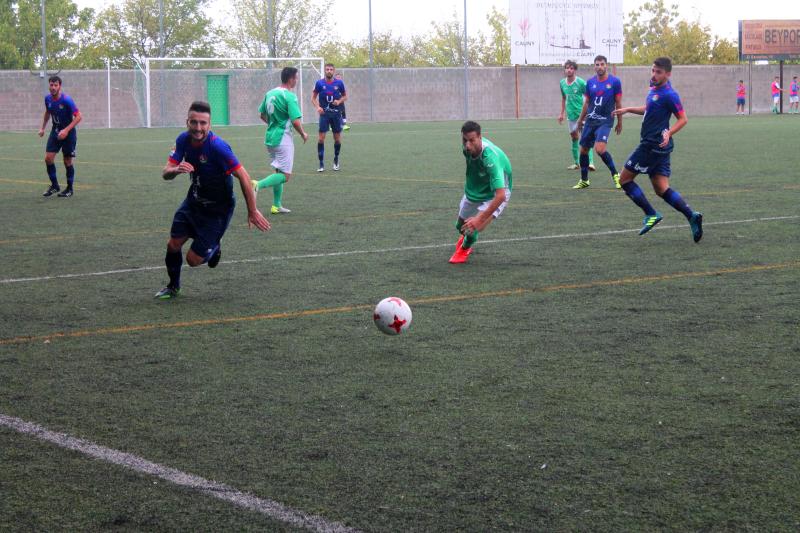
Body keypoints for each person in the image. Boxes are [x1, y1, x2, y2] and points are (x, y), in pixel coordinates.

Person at [155, 101, 270, 299]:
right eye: (194, 122)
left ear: (209, 125)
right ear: (187, 122)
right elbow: (166, 172)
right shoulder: (182, 140)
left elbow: (243, 175)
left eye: (203, 123)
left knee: (192, 260)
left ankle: (215, 247)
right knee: (173, 245)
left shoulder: (218, 147)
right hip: (193, 202)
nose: (198, 128)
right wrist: (176, 169)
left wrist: (252, 210)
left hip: (218, 210)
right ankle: (173, 287)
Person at [612, 57, 703, 243]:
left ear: (668, 74)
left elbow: (683, 119)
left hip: (651, 145)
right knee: (662, 189)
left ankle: (651, 214)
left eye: (658, 72)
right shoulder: (654, 89)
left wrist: (669, 132)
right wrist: (628, 109)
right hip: (660, 148)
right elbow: (649, 108)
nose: (654, 74)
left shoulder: (670, 94)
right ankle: (691, 215)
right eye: (653, 70)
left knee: (624, 180)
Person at [449, 121, 512, 264]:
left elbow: (500, 195)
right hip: (476, 188)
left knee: (476, 226)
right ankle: (467, 236)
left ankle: (465, 249)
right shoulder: (466, 148)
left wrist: (479, 218)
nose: (467, 145)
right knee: (460, 226)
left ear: (480, 137)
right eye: (465, 140)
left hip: (497, 191)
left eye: (472, 140)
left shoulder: (490, 158)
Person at [252, 67, 309, 214]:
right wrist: (303, 133)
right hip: (283, 139)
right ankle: (257, 185)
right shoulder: (289, 96)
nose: (296, 81)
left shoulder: (270, 93)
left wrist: (274, 124)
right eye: (296, 78)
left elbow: (262, 114)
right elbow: (296, 121)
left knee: (278, 171)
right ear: (290, 79)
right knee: (285, 176)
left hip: (270, 137)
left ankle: (276, 205)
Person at [574, 55, 622, 190]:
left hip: (605, 121)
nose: (599, 67)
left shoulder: (615, 82)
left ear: (606, 65)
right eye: (597, 64)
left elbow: (618, 103)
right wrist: (580, 119)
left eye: (602, 64)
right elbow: (587, 102)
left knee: (600, 149)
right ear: (594, 66)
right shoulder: (590, 82)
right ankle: (584, 180)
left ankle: (616, 175)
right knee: (583, 150)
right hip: (590, 121)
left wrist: (620, 122)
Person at [38, 76, 81, 197]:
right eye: (51, 85)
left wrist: (66, 130)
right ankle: (55, 186)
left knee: (67, 161)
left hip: (69, 134)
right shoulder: (47, 99)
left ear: (60, 86)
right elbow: (48, 112)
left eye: (55, 85)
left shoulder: (67, 100)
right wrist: (42, 128)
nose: (53, 87)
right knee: (48, 158)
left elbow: (79, 116)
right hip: (55, 131)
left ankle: (69, 189)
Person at [558, 60, 595, 172]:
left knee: (585, 139)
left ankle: (591, 163)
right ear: (565, 70)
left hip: (582, 115)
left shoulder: (581, 83)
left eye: (571, 68)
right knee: (574, 138)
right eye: (567, 68)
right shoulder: (562, 83)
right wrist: (562, 113)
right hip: (571, 116)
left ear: (574, 70)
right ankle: (577, 163)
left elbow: (589, 97)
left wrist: (589, 112)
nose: (569, 70)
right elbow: (564, 98)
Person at [311, 63, 347, 172]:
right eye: (327, 69)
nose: (329, 71)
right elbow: (313, 98)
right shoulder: (319, 83)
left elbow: (345, 96)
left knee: (337, 139)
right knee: (321, 138)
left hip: (336, 115)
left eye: (331, 69)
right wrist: (318, 107)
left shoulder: (339, 83)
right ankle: (321, 164)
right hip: (324, 115)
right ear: (325, 71)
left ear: (334, 71)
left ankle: (336, 160)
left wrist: (339, 101)